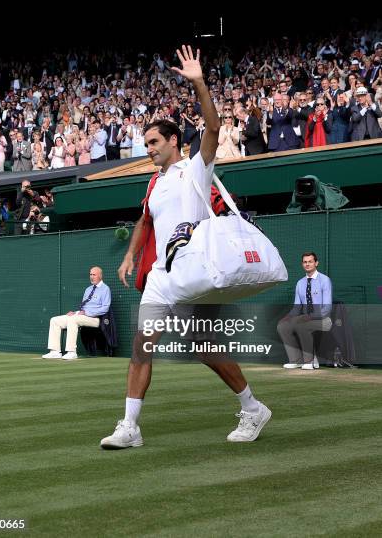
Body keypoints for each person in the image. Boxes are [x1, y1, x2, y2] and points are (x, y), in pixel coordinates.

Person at [100, 45, 272, 450]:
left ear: (174, 141)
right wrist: (130, 255)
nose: (149, 148)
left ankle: (252, 407)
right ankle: (130, 426)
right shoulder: (154, 183)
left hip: (196, 270)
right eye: (146, 143)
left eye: (155, 141)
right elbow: (145, 220)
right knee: (143, 345)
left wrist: (198, 82)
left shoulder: (196, 167)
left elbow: (212, 128)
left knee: (205, 349)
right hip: (162, 275)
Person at [277, 252, 332, 370]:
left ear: (316, 263)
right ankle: (296, 360)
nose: (307, 264)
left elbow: (327, 309)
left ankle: (309, 361)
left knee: (302, 325)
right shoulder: (300, 283)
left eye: (310, 261)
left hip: (324, 320)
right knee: (283, 326)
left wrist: (311, 316)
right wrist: (287, 317)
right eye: (305, 262)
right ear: (302, 264)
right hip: (306, 318)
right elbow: (297, 308)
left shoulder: (325, 280)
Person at [42, 266, 111, 361]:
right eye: (90, 274)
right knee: (55, 320)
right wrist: (75, 312)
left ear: (100, 276)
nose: (91, 276)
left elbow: (105, 308)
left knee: (72, 319)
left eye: (94, 274)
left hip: (96, 319)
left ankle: (71, 352)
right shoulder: (88, 289)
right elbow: (83, 308)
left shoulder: (105, 289)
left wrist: (88, 313)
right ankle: (55, 351)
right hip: (82, 316)